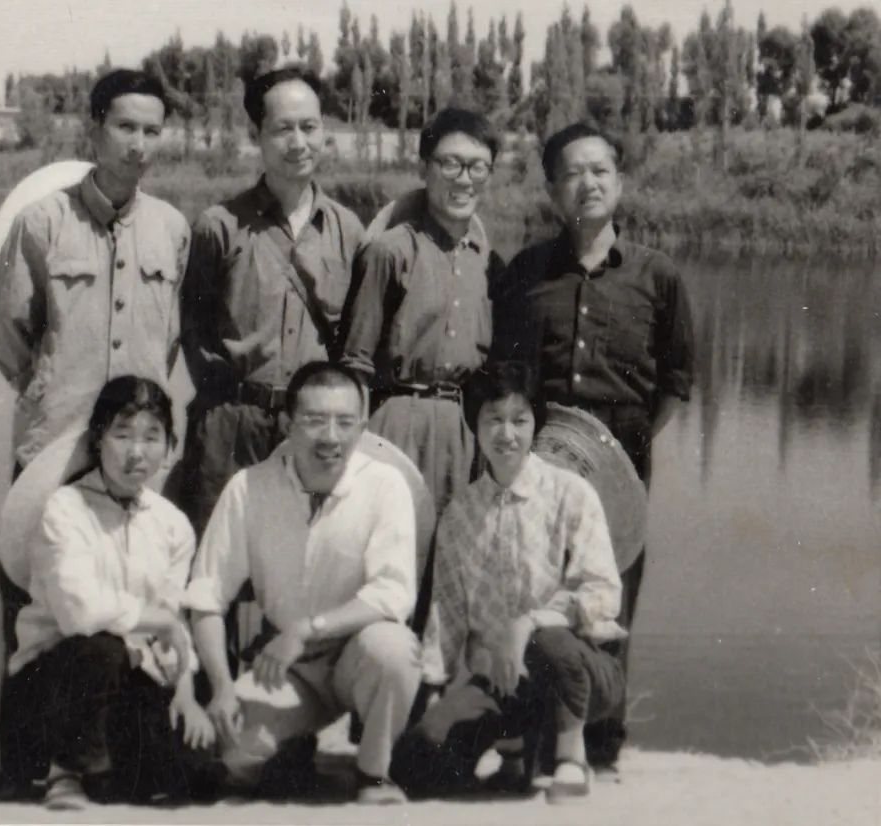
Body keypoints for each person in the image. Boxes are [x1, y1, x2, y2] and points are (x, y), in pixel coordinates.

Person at [0, 68, 190, 799]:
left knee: (121, 592)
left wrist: (133, 426)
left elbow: (168, 341)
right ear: (94, 129)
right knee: (32, 606)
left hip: (132, 450)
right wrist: (51, 393)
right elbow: (4, 332)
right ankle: (22, 768)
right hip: (54, 449)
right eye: (125, 127)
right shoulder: (43, 223)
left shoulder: (172, 229)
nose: (139, 145)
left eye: (152, 130)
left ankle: (101, 761)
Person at [491, 121, 695, 770]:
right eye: (573, 172)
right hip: (540, 457)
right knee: (533, 587)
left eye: (600, 170)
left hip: (620, 459)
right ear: (553, 189)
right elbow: (504, 374)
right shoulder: (526, 271)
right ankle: (534, 735)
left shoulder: (657, 276)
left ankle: (601, 742)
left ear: (621, 181)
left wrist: (617, 449)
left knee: (609, 594)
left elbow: (675, 385)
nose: (588, 183)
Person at [184, 362, 423, 805]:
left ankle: (373, 774)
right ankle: (294, 747)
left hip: (358, 653)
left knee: (395, 652)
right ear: (287, 424)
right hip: (287, 668)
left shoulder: (385, 485)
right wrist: (221, 686)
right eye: (314, 420)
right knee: (234, 751)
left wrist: (307, 629)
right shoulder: (248, 488)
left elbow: (393, 593)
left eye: (345, 422)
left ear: (362, 428)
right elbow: (207, 596)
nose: (330, 437)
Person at [391, 362, 626, 803]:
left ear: (535, 424)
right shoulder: (460, 513)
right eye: (494, 420)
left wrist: (529, 623)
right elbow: (446, 616)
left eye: (520, 420)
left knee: (548, 643)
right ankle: (517, 747)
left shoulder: (571, 494)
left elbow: (603, 594)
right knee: (412, 768)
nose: (507, 434)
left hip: (579, 672)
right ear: (475, 425)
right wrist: (440, 702)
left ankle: (571, 757)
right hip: (502, 681)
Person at [0, 376, 220, 808]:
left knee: (198, 773)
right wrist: (161, 622)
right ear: (98, 439)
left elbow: (171, 624)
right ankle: (64, 774)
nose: (137, 452)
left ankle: (106, 773)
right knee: (102, 649)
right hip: (53, 681)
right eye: (123, 434)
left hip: (124, 682)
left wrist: (185, 693)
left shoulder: (172, 525)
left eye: (152, 437)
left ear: (169, 446)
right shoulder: (65, 508)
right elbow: (79, 612)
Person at [178, 65, 363, 536]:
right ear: (256, 135)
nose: (298, 142)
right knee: (218, 557)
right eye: (283, 129)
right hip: (230, 425)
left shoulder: (348, 230)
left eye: (309, 127)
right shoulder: (219, 226)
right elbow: (193, 331)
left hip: (311, 429)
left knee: (305, 560)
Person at [338, 107, 503, 519]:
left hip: (463, 430)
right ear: (424, 169)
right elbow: (356, 363)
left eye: (478, 167)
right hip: (395, 420)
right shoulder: (389, 251)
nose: (464, 179)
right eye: (450, 164)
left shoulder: (488, 262)